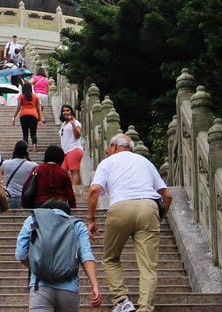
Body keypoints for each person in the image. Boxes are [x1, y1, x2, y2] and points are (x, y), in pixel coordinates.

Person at [86, 134, 173, 312]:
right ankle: (145, 309)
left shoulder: (108, 162)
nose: (107, 152)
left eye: (108, 149)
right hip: (149, 207)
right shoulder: (145, 162)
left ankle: (122, 301)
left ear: (114, 147)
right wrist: (159, 216)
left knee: (111, 257)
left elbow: (94, 190)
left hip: (120, 208)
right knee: (148, 266)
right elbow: (167, 195)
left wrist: (91, 220)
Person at [15, 199, 102, 312]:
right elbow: (86, 256)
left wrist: (40, 267)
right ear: (67, 213)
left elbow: (21, 254)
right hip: (69, 289)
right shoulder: (77, 224)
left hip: (40, 288)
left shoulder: (33, 219)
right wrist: (95, 285)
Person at [30, 145, 77, 209]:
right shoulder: (63, 173)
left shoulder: (37, 169)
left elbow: (26, 185)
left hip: (40, 205)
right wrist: (73, 208)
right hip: (59, 205)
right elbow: (70, 193)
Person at [1, 140, 37, 209]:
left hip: (10, 197)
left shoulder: (5, 163)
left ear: (14, 150)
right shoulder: (33, 165)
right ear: (26, 151)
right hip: (26, 198)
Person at [59, 104, 85, 186]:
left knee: (74, 171)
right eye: (63, 111)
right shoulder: (63, 124)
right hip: (66, 152)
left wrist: (73, 124)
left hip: (74, 149)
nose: (65, 112)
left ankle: (75, 192)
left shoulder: (76, 122)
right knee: (61, 172)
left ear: (71, 112)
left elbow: (77, 135)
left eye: (67, 110)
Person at [15, 78, 44, 150]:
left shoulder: (21, 96)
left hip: (23, 115)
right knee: (33, 132)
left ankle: (25, 148)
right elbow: (38, 109)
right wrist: (40, 119)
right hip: (34, 115)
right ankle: (34, 147)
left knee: (25, 133)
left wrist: (14, 116)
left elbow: (18, 107)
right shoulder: (36, 97)